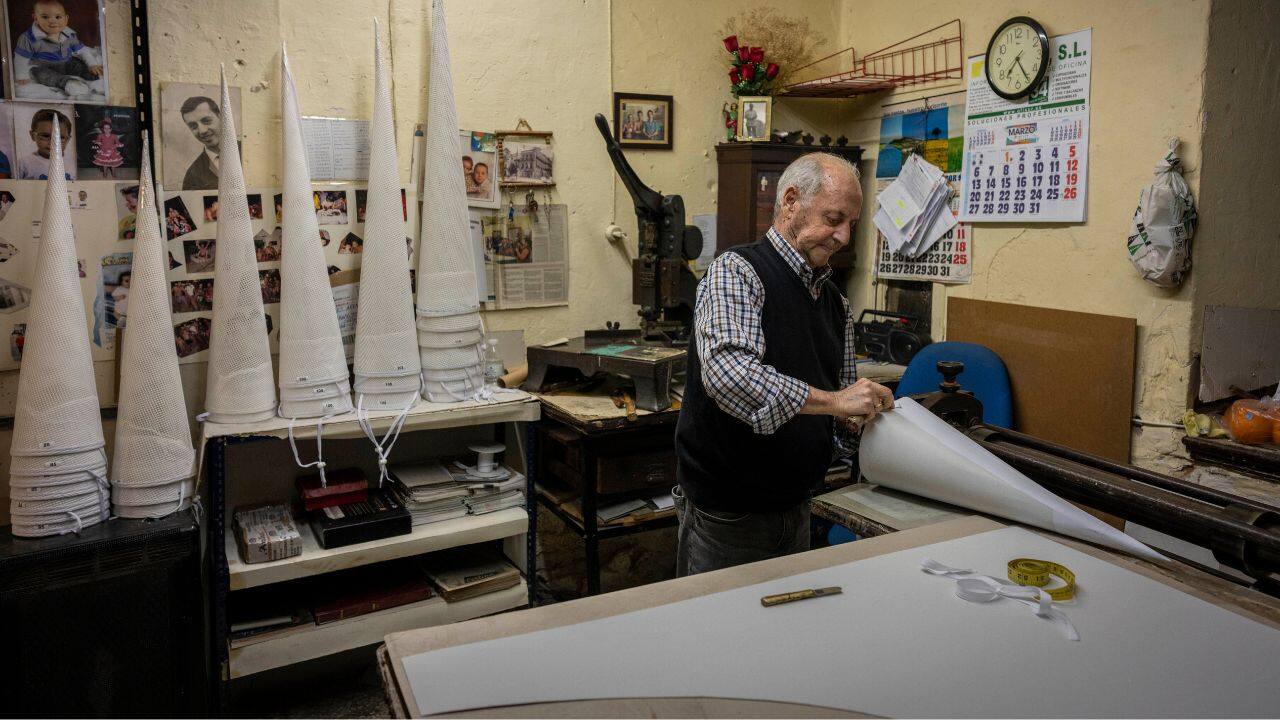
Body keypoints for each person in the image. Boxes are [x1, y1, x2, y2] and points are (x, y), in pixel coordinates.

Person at [674, 153, 893, 577]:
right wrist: (834, 403)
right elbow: (729, 374)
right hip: (728, 517)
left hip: (797, 506)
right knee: (718, 635)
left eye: (852, 223)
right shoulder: (736, 272)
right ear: (791, 201)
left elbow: (840, 401)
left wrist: (857, 418)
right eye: (834, 218)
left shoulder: (835, 303)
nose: (844, 236)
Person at [12, 0, 103, 99]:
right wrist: (21, 75)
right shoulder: (28, 38)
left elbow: (81, 50)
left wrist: (92, 64)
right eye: (45, 17)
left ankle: (96, 78)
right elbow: (20, 57)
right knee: (43, 75)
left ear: (66, 19)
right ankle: (67, 83)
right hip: (43, 66)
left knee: (79, 65)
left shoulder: (69, 34)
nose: (52, 21)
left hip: (66, 61)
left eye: (58, 17)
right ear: (35, 18)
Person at [179, 96, 222, 189]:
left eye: (206, 121)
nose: (202, 131)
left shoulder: (247, 151)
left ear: (220, 117)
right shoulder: (192, 176)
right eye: (193, 126)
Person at [18, 108, 74, 180]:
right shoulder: (24, 163)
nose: (53, 143)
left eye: (60, 137)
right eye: (46, 136)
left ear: (68, 139)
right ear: (33, 135)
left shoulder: (73, 164)